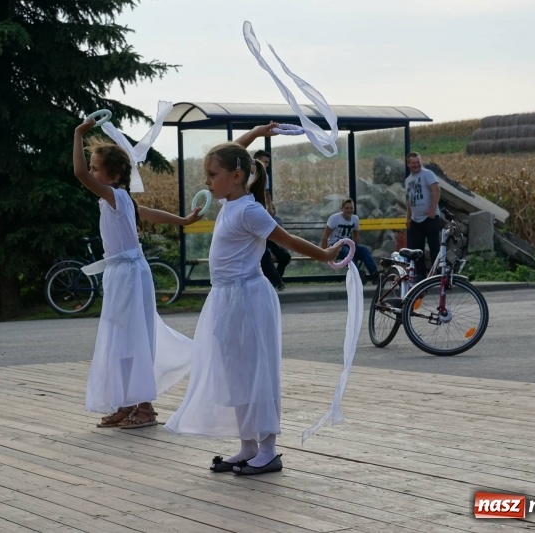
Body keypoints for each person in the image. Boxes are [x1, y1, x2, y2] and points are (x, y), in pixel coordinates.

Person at [165, 124, 343, 476]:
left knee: (257, 371)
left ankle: (269, 449)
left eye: (212, 175)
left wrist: (325, 255)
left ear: (235, 177)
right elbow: (237, 154)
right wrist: (257, 132)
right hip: (226, 298)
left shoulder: (249, 211)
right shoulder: (229, 201)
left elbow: (287, 240)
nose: (206, 181)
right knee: (236, 372)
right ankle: (248, 445)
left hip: (248, 297)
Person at [73, 118, 200, 429]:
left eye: (96, 168)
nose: (91, 173)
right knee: (123, 339)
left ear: (113, 176)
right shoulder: (121, 200)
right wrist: (183, 221)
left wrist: (79, 134)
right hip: (123, 274)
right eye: (92, 167)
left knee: (133, 339)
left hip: (129, 274)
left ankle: (145, 407)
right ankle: (128, 402)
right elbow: (148, 213)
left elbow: (77, 174)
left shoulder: (113, 196)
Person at [405, 152, 442, 281]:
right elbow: (409, 199)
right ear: (408, 163)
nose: (416, 165)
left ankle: (437, 273)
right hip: (416, 219)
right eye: (413, 163)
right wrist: (408, 217)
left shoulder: (427, 174)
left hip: (430, 218)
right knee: (417, 249)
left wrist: (432, 210)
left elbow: (436, 190)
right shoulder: (408, 180)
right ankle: (421, 274)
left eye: (418, 162)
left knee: (434, 246)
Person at [320, 198, 378, 280]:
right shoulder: (334, 218)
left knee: (364, 250)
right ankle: (356, 274)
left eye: (351, 208)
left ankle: (375, 274)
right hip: (335, 245)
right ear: (342, 209)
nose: (349, 210)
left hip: (347, 244)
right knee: (346, 252)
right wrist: (324, 253)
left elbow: (356, 234)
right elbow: (325, 236)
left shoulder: (355, 219)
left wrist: (355, 247)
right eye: (346, 208)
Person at [253, 150, 287, 289]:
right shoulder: (245, 174)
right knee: (263, 251)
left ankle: (275, 281)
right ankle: (276, 281)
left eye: (267, 163)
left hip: (261, 215)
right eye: (264, 162)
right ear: (255, 160)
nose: (266, 165)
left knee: (283, 255)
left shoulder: (264, 176)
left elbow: (266, 193)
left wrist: (270, 207)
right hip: (253, 215)